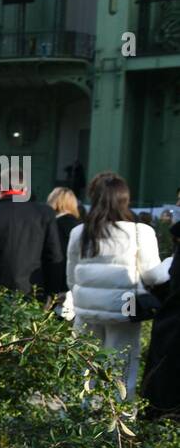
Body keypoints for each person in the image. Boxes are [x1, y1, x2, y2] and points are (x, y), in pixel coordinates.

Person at [66, 171, 170, 399]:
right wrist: (169, 264)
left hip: (87, 308)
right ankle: (119, 422)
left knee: (85, 366)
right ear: (124, 199)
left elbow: (72, 278)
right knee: (122, 367)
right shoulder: (140, 232)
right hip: (127, 306)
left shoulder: (79, 233)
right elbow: (154, 277)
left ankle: (80, 421)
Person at [0, 178, 63, 297]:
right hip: (35, 289)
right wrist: (53, 291)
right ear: (25, 189)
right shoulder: (45, 213)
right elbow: (54, 255)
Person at [141, 221, 179, 419]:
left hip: (118, 302)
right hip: (127, 302)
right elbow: (152, 275)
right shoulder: (140, 231)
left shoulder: (82, 230)